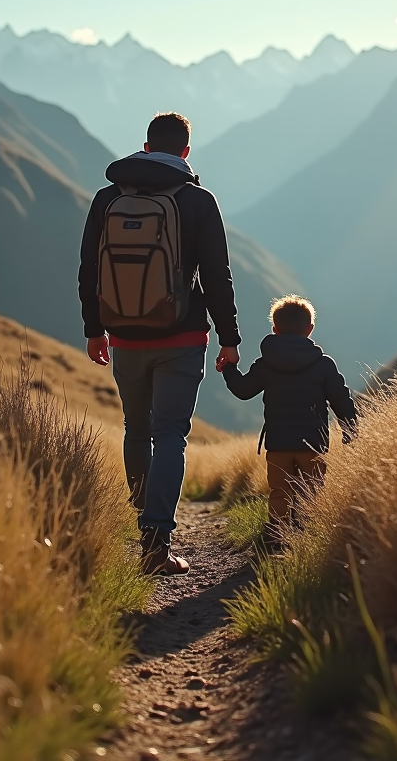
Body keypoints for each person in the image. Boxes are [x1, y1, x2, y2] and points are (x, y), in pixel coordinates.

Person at [79, 112, 240, 576]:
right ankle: (156, 542)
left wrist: (94, 329)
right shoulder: (197, 200)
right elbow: (216, 276)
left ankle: (141, 520)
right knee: (170, 433)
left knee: (136, 427)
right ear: (185, 153)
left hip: (124, 334)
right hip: (182, 335)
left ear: (145, 147)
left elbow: (89, 269)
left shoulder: (108, 198)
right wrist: (229, 338)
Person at [221, 295, 356, 546]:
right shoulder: (324, 365)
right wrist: (350, 427)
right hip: (313, 444)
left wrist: (228, 368)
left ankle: (277, 537)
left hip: (279, 442)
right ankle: (307, 539)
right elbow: (341, 398)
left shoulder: (266, 364)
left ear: (275, 328)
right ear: (310, 330)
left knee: (280, 493)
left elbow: (242, 389)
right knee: (311, 492)